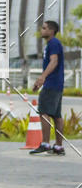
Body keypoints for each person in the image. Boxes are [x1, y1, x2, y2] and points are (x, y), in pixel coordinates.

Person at [30, 20, 65, 156]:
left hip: (52, 84)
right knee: (56, 115)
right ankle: (58, 147)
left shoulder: (53, 43)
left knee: (44, 112)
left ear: (51, 31)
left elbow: (54, 61)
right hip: (55, 83)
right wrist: (40, 81)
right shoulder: (51, 44)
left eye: (44, 28)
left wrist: (43, 77)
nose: (42, 30)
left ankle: (45, 143)